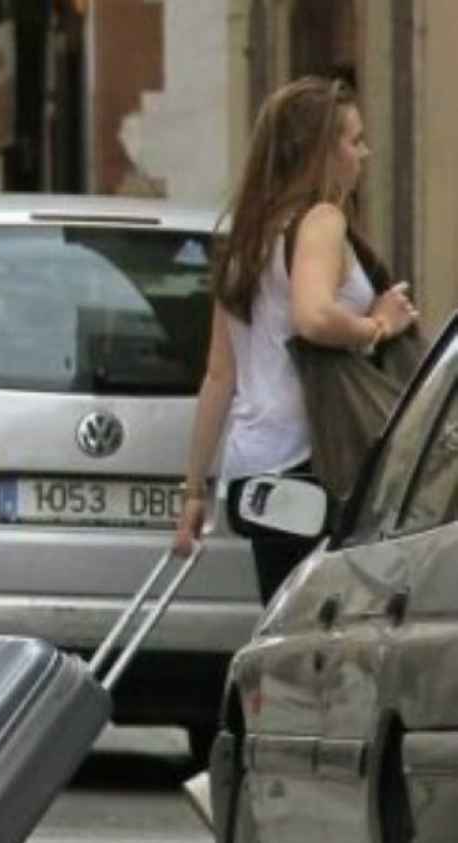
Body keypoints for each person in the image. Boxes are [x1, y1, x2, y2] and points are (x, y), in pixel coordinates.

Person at [174, 75, 419, 602]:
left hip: (253, 472)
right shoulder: (322, 220)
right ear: (320, 154)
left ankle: (265, 691)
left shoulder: (247, 235)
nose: (365, 153)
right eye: (353, 141)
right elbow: (313, 317)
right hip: (313, 466)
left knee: (282, 628)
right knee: (334, 635)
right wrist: (377, 326)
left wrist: (195, 489)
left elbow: (219, 375)